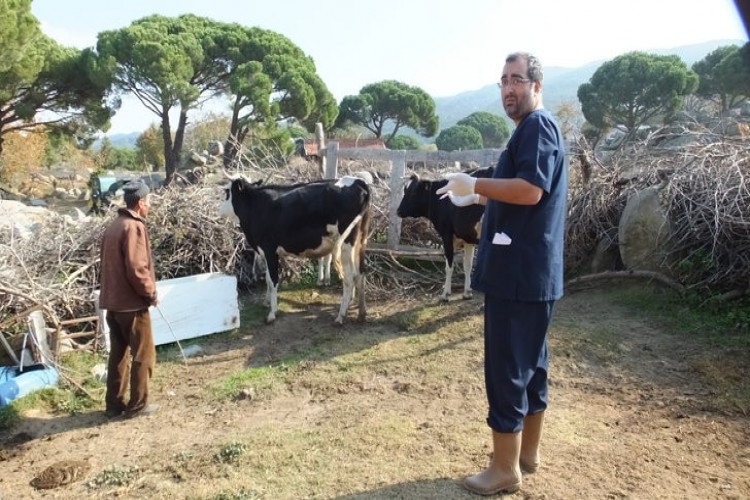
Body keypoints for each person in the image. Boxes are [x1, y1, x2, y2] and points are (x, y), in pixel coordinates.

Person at [437, 52, 568, 495]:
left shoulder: (536, 126)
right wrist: (475, 200)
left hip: (518, 275)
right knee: (531, 365)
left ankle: (504, 469)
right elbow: (520, 193)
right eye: (503, 81)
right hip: (531, 274)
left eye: (517, 79)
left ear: (536, 84)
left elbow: (530, 190)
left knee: (507, 368)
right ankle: (526, 455)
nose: (509, 88)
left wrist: (476, 184)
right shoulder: (532, 131)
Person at [99, 179, 159, 419]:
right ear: (141, 203)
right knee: (144, 355)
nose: (150, 205)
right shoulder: (134, 227)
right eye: (149, 201)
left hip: (113, 303)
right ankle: (137, 406)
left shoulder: (114, 225)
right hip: (131, 305)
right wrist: (150, 293)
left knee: (119, 355)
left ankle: (113, 405)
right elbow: (137, 267)